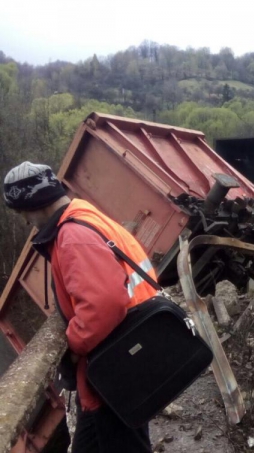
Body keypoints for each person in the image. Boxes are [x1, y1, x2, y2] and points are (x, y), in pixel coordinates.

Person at [3, 162, 155, 452]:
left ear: (34, 204)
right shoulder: (86, 215)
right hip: (123, 361)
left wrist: (73, 346)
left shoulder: (73, 236)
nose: (25, 221)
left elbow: (105, 306)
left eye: (22, 212)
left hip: (115, 372)